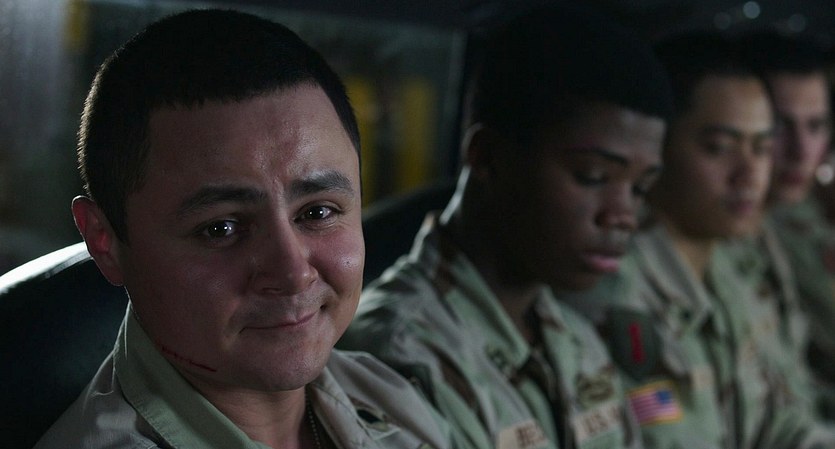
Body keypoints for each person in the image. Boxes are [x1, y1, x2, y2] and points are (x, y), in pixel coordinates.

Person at [33, 9, 451, 449]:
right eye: (221, 228)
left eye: (317, 213)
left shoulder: (386, 399)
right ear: (104, 242)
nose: (292, 273)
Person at [339, 5, 673, 449]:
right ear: (487, 157)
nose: (623, 214)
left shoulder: (572, 337)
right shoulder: (400, 357)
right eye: (593, 176)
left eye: (640, 188)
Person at [564, 32, 835, 449]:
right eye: (719, 148)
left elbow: (775, 422)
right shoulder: (614, 289)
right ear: (656, 150)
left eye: (762, 148)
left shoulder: (726, 269)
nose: (749, 174)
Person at [740, 30, 835, 418]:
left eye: (816, 126)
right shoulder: (730, 242)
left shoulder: (772, 231)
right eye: (780, 126)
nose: (801, 152)